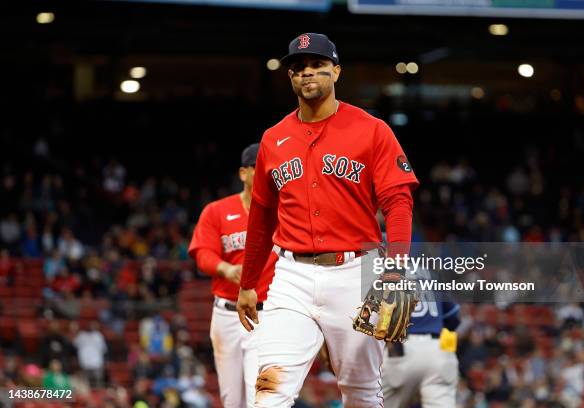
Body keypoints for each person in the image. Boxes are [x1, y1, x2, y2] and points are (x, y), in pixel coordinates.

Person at [237, 33, 419, 407]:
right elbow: (260, 219)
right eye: (299, 68)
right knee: (269, 392)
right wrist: (249, 282)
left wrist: (396, 268)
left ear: (336, 71)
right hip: (292, 278)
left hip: (355, 273)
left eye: (318, 65)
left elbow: (398, 202)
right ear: (289, 78)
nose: (308, 74)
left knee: (361, 393)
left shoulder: (372, 130)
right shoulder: (274, 139)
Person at [188, 143, 276, 408]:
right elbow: (202, 252)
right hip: (226, 313)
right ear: (243, 173)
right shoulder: (217, 211)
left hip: (264, 314)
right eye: (256, 168)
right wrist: (226, 269)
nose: (263, 174)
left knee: (258, 396)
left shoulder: (283, 212)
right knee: (231, 399)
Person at [382, 288, 461, 408]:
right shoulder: (432, 275)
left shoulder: (381, 276)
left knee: (376, 403)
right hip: (437, 349)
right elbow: (453, 318)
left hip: (399, 350)